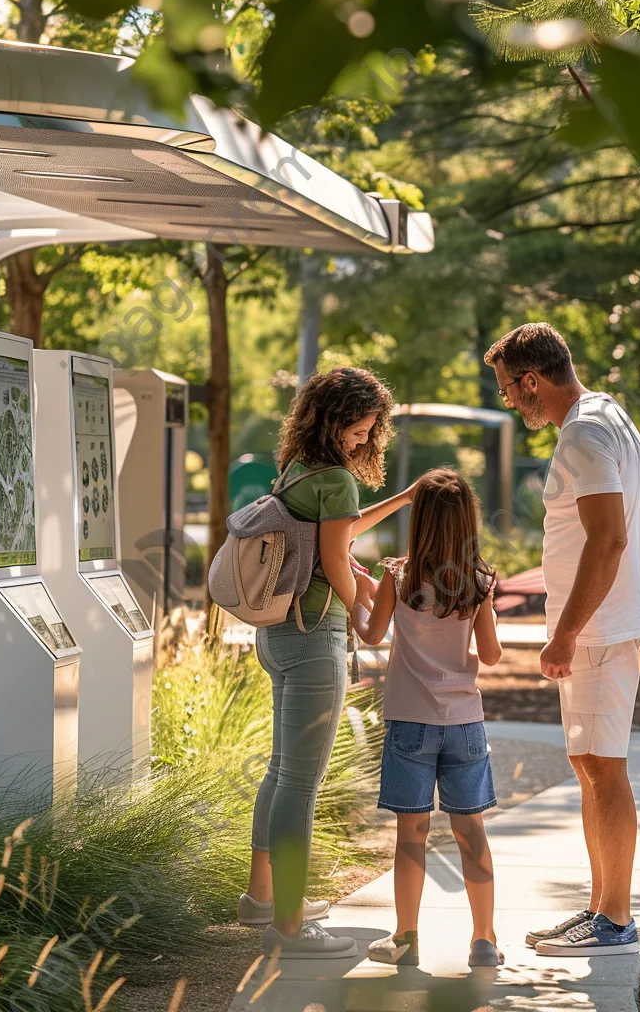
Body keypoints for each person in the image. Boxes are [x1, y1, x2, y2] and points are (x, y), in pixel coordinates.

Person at [239, 367, 417, 959]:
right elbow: (339, 563)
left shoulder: (300, 471)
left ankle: (262, 898)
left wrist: (402, 498)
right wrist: (365, 621)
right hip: (316, 639)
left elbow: (334, 537)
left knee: (280, 770)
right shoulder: (337, 479)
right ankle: (290, 926)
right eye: (362, 429)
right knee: (301, 780)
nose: (365, 440)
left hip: (278, 637)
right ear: (339, 418)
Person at [484, 322, 640, 957]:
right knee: (589, 767)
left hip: (597, 632)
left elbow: (609, 540)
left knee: (603, 769)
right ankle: (601, 908)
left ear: (532, 381)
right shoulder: (604, 414)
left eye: (507, 389)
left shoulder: (582, 433)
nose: (507, 400)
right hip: (602, 627)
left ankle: (614, 920)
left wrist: (565, 633)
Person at [351, 467, 504, 970]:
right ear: (467, 522)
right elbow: (492, 654)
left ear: (420, 521)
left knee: (410, 835)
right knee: (471, 831)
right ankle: (484, 940)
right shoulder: (479, 581)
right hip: (464, 723)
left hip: (409, 722)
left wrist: (361, 597)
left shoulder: (398, 575)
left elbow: (372, 636)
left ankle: (406, 937)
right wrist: (486, 612)